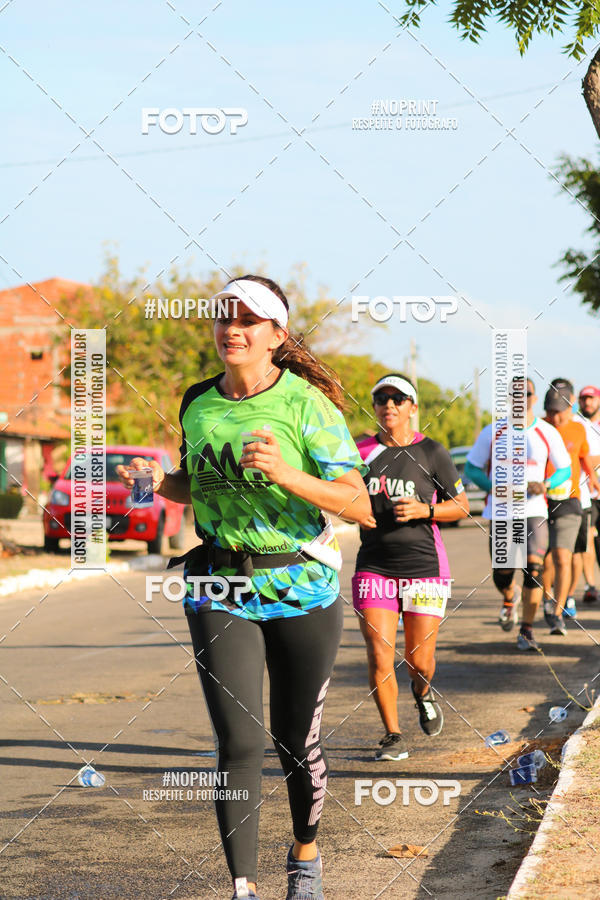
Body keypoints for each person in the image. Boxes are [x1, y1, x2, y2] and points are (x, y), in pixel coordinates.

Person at [117, 274, 372, 900]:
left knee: (294, 739)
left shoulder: (308, 405)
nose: (231, 329)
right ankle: (243, 888)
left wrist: (287, 474)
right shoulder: (198, 401)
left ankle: (305, 856)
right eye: (224, 317)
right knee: (238, 739)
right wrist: (158, 482)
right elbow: (196, 484)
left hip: (300, 585)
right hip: (219, 581)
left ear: (276, 335)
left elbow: (360, 506)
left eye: (248, 320)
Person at [351, 374, 469, 761]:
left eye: (398, 398)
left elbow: (462, 506)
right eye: (381, 398)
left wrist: (424, 510)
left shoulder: (432, 451)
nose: (389, 405)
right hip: (374, 566)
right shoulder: (359, 450)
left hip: (424, 567)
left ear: (413, 408)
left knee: (419, 661)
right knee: (379, 653)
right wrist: (353, 511)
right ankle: (392, 735)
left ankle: (422, 692)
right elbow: (342, 495)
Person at [466, 378, 571, 651]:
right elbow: (471, 468)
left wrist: (546, 484)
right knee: (503, 572)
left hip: (534, 509)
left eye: (525, 393)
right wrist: (492, 487)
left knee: (534, 568)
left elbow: (565, 469)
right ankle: (509, 596)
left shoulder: (546, 432)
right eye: (514, 394)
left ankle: (527, 630)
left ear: (534, 398)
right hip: (501, 511)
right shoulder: (493, 431)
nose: (520, 398)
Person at [540, 381, 600, 633]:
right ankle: (546, 598)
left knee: (565, 556)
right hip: (540, 502)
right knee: (544, 560)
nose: (556, 416)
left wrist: (594, 480)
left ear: (570, 407)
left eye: (560, 411)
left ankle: (559, 610)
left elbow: (584, 458)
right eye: (551, 411)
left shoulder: (578, 429)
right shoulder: (539, 428)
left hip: (571, 499)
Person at [575, 385, 600, 604]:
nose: (588, 402)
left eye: (591, 398)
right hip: (587, 493)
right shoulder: (576, 424)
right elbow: (577, 456)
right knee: (588, 539)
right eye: (584, 399)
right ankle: (590, 585)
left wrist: (588, 458)